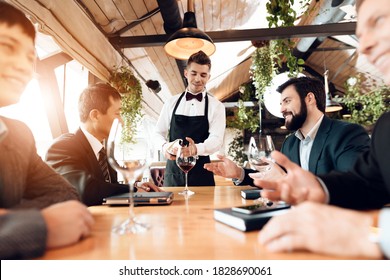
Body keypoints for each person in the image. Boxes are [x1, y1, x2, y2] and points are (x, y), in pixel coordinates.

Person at [256, 0, 390, 259]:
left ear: (309, 99)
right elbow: (367, 182)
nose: (364, 47)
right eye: (360, 36)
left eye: (379, 21)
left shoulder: (347, 133)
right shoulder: (387, 127)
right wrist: (319, 187)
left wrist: (369, 233)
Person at [0, 1, 93, 259]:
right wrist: (41, 224)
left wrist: (10, 215)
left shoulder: (19, 134)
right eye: (7, 46)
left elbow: (65, 195)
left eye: (30, 57)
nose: (23, 66)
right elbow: (55, 213)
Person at [204, 76, 370, 184]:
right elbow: (273, 176)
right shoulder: (290, 143)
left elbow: (356, 185)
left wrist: (285, 180)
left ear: (310, 98)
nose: (282, 109)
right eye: (281, 103)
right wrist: (239, 173)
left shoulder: (347, 134)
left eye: (287, 101)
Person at [45, 83, 161, 207]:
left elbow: (108, 188)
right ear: (95, 115)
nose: (121, 121)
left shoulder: (101, 151)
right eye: (117, 114)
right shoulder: (63, 147)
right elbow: (85, 190)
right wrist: (133, 191)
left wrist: (135, 185)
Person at [155, 50, 226, 186]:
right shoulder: (171, 102)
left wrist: (196, 149)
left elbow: (217, 140)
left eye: (203, 75)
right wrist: (164, 147)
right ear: (186, 73)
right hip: (173, 176)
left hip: (202, 175)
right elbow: (157, 133)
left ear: (208, 77)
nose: (198, 79)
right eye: (194, 73)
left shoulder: (216, 106)